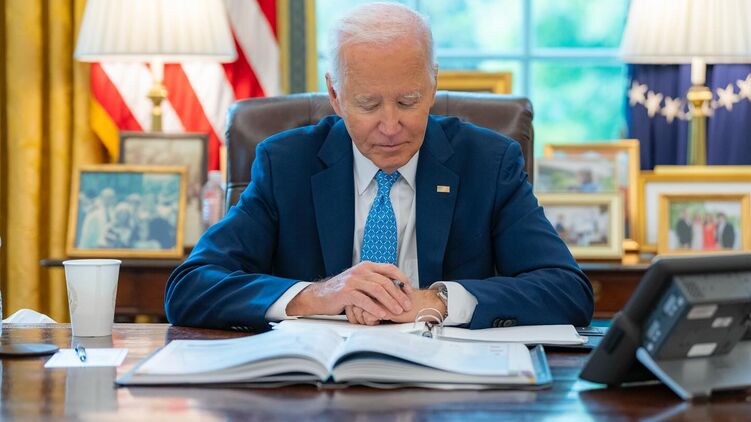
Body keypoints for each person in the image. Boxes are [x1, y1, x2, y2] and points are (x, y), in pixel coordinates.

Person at [165, 3, 593, 331]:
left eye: (408, 101)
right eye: (368, 104)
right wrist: (316, 296)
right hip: (315, 390)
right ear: (335, 96)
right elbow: (191, 286)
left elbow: (567, 291)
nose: (390, 126)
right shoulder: (286, 164)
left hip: (449, 388)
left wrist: (438, 300)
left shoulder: (489, 162)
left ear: (433, 85)